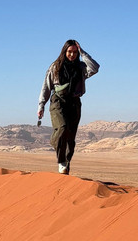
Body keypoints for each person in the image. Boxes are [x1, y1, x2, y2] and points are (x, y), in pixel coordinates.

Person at [37, 39, 100, 174]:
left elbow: (95, 68)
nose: (72, 55)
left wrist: (83, 53)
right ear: (64, 51)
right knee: (62, 128)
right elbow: (46, 87)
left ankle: (66, 165)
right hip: (58, 101)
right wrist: (41, 105)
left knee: (70, 137)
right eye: (69, 52)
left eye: (75, 52)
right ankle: (60, 159)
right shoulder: (55, 66)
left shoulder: (81, 67)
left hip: (75, 103)